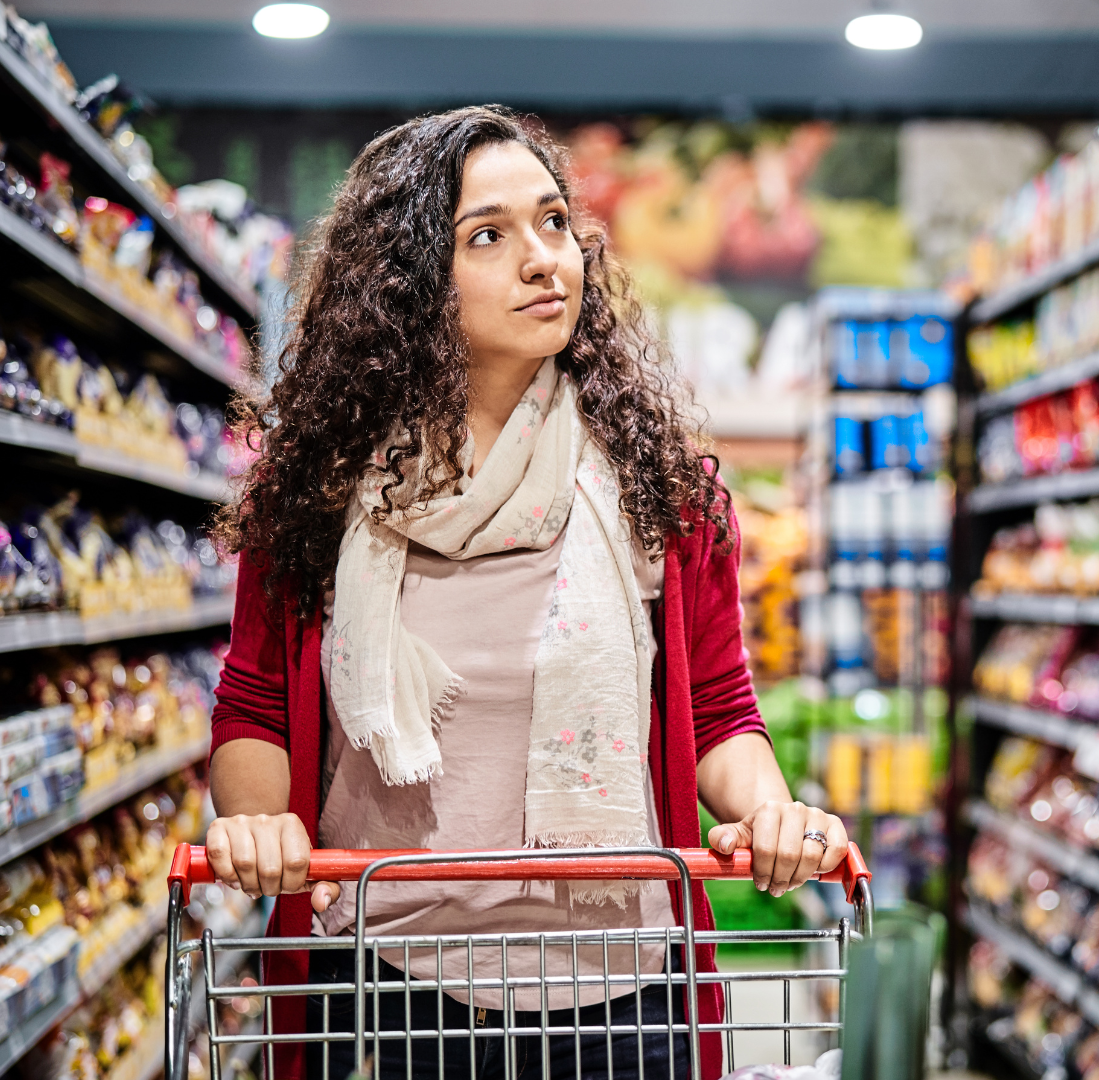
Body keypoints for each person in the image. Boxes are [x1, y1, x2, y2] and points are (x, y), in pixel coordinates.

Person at [203, 105, 848, 1080]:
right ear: (409, 280)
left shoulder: (661, 488)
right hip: (384, 991)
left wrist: (770, 810)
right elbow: (255, 703)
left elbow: (718, 709)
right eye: (489, 236)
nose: (545, 259)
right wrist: (259, 820)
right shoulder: (317, 494)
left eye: (555, 223)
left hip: (624, 993)